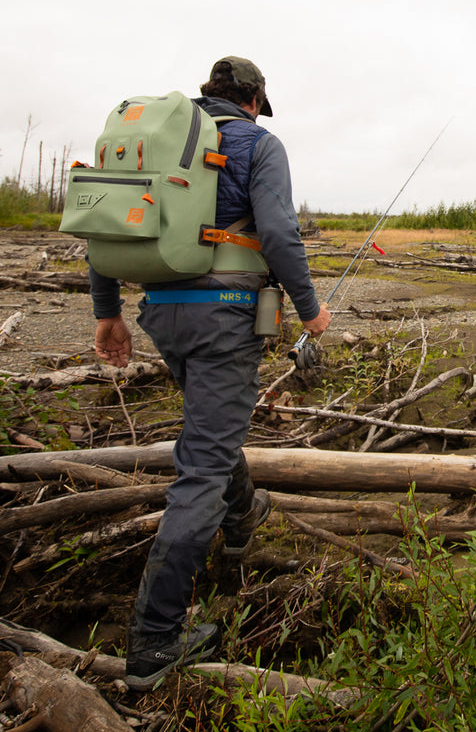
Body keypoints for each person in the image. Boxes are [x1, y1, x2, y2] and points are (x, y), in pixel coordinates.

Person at [89, 57, 331, 690]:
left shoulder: (162, 142)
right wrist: (311, 311)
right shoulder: (259, 142)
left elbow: (109, 219)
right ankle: (154, 639)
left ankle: (242, 518)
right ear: (253, 99)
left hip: (162, 313)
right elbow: (278, 233)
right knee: (203, 461)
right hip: (225, 318)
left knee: (210, 430)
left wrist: (107, 314)